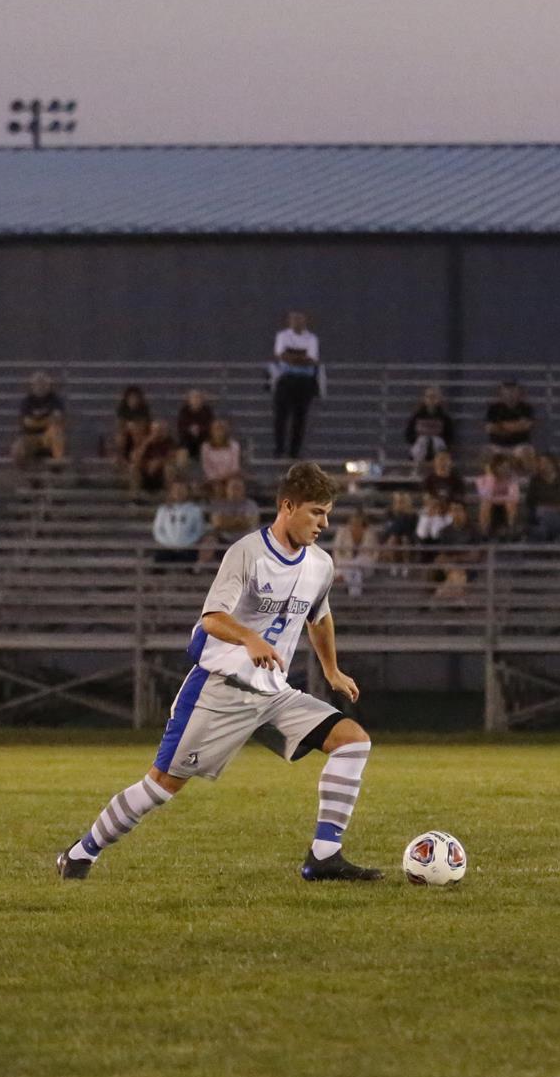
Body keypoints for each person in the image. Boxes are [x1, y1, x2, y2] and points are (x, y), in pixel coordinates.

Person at [57, 462, 380, 882]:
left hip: (272, 693)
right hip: (219, 690)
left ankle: (323, 857)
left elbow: (319, 617)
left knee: (352, 741)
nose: (324, 523)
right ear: (287, 506)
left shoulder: (320, 564)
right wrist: (250, 638)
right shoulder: (247, 553)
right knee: (161, 786)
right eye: (317, 512)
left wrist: (332, 671)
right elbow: (211, 618)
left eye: (328, 513)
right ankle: (81, 853)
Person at [270, 311, 321, 460]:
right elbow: (280, 355)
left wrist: (290, 357)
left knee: (300, 417)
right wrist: (301, 357)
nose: (296, 322)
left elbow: (312, 359)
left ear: (304, 321)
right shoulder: (282, 336)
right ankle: (279, 449)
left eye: (299, 319)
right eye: (294, 319)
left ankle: (294, 451)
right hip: (286, 378)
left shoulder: (311, 338)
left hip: (304, 381)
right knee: (281, 415)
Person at [13, 372, 67, 464]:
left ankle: (57, 464)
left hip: (48, 436)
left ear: (49, 386)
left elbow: (58, 418)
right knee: (18, 449)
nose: (40, 387)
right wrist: (46, 420)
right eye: (37, 384)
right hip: (31, 436)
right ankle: (26, 472)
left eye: (44, 384)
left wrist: (38, 420)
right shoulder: (27, 401)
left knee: (57, 432)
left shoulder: (55, 400)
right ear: (32, 386)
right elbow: (26, 422)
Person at [151, 481, 206, 566]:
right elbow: (157, 531)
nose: (179, 492)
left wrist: (184, 544)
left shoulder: (195, 510)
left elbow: (198, 531)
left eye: (182, 489)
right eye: (176, 490)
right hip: (166, 548)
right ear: (172, 492)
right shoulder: (163, 509)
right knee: (158, 560)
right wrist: (170, 544)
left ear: (187, 491)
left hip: (187, 548)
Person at [484, 380, 536, 460]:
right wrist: (516, 426)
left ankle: (527, 473)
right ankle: (489, 473)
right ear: (500, 393)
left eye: (513, 392)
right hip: (498, 445)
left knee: (527, 452)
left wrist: (501, 426)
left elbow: (526, 426)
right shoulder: (493, 409)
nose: (510, 395)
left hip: (520, 445)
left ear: (519, 393)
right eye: (506, 392)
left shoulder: (526, 408)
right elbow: (490, 428)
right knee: (486, 452)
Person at [406, 386, 456, 468]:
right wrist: (418, 440)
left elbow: (449, 436)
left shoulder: (444, 417)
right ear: (424, 399)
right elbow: (408, 434)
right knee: (422, 441)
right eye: (428, 397)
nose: (431, 400)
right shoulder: (417, 416)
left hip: (438, 447)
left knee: (437, 442)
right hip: (420, 447)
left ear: (439, 399)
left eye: (434, 397)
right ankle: (416, 468)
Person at [198, 417, 245, 495]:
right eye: (216, 429)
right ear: (211, 431)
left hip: (231, 477)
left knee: (232, 485)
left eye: (221, 429)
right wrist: (216, 479)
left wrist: (223, 478)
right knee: (217, 487)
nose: (219, 432)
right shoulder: (205, 446)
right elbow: (206, 467)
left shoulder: (234, 445)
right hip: (212, 479)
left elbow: (235, 467)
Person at [174, 389, 216, 459]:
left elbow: (210, 426)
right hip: (187, 439)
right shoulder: (184, 411)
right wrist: (190, 429)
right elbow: (181, 427)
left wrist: (199, 429)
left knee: (209, 445)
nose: (196, 400)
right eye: (193, 398)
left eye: (198, 398)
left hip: (204, 439)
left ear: (202, 400)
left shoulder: (207, 411)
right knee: (181, 450)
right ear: (189, 400)